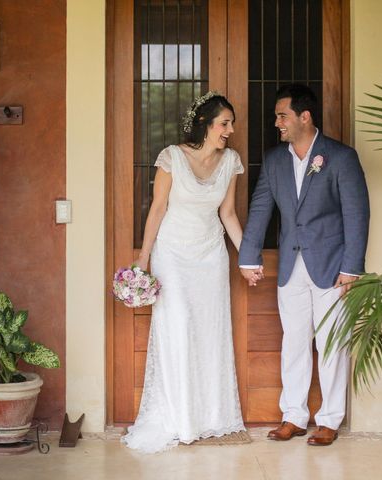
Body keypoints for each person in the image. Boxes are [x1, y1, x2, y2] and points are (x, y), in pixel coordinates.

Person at [239, 84, 370, 446]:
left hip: (332, 267)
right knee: (293, 342)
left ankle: (329, 420)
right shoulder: (274, 160)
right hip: (289, 267)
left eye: (282, 116)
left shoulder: (341, 157)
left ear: (304, 116)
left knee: (331, 343)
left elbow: (356, 214)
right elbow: (261, 208)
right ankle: (293, 417)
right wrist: (248, 256)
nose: (277, 122)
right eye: (277, 116)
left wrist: (351, 268)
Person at [121, 92, 248, 453]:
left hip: (211, 257)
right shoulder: (173, 157)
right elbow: (158, 208)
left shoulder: (231, 161)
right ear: (205, 125)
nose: (230, 130)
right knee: (177, 329)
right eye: (224, 123)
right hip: (173, 256)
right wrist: (143, 258)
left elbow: (228, 215)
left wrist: (246, 258)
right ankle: (179, 419)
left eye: (231, 123)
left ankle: (209, 416)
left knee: (210, 333)